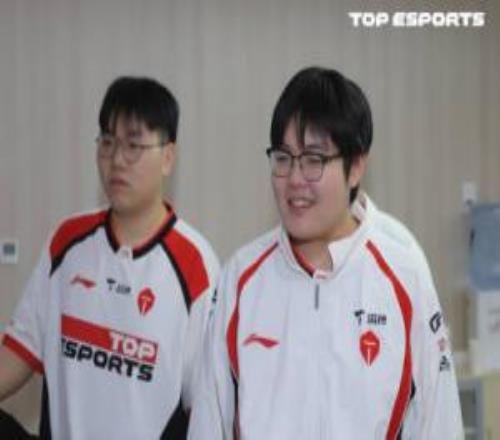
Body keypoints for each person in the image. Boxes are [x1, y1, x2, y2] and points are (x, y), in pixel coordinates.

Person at [188, 67, 463, 439]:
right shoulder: (240, 278)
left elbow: (439, 424)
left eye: (314, 160)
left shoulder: (404, 277)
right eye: (283, 158)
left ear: (356, 167)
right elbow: (207, 423)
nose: (295, 178)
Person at [0, 76, 219, 439]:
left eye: (133, 145)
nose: (116, 160)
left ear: (168, 157)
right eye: (107, 142)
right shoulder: (67, 241)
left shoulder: (195, 264)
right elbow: (20, 350)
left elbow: (205, 409)